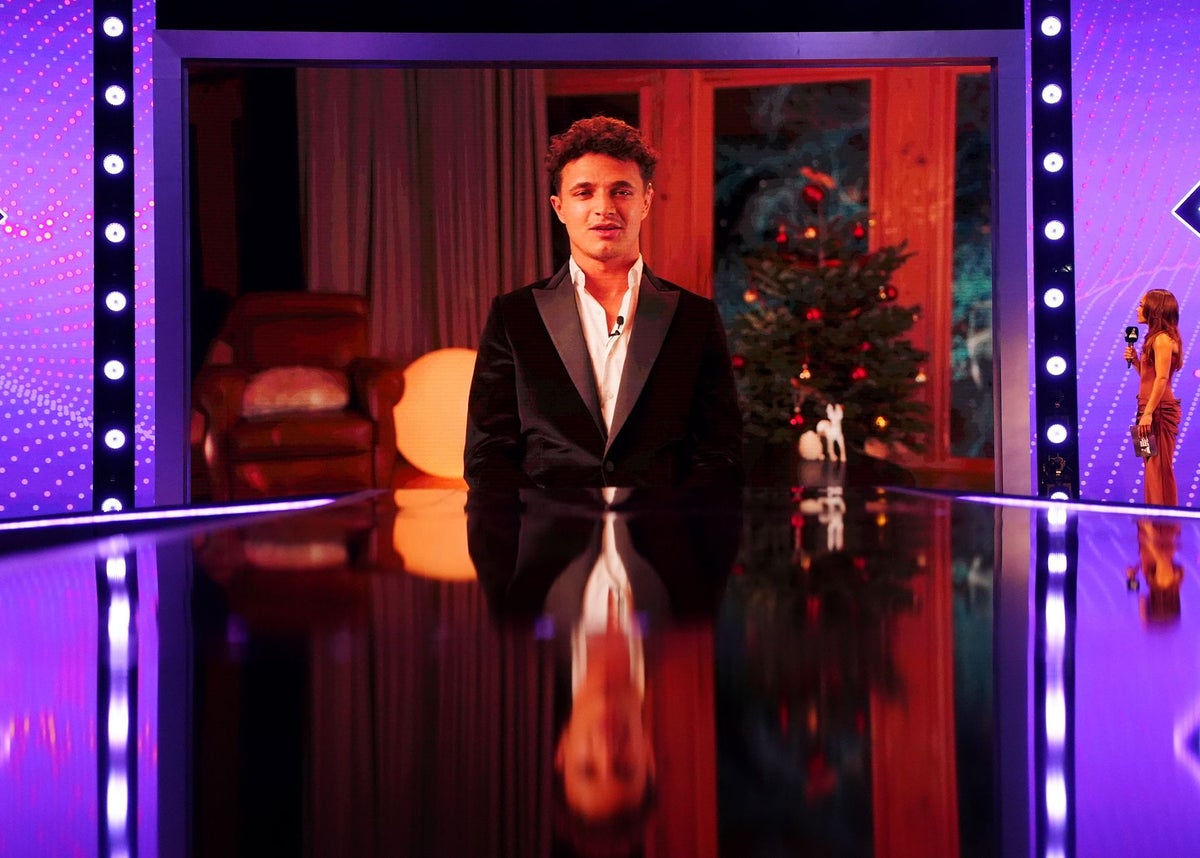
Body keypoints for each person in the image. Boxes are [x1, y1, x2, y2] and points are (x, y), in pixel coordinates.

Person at [464, 115, 744, 489]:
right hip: (547, 524)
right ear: (559, 207)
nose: (604, 208)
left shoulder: (695, 317)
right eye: (584, 193)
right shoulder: (513, 315)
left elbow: (720, 452)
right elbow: (487, 454)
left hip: (662, 524)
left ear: (646, 201)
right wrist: (536, 521)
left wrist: (676, 520)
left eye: (621, 191)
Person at [1124, 289, 1183, 505]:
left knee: (1159, 469)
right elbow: (1149, 377)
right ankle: (1150, 517)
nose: (1138, 309)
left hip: (1158, 411)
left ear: (1154, 310)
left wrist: (1148, 413)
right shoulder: (1152, 339)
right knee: (1149, 465)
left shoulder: (1162, 340)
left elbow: (1162, 379)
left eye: (1142, 305)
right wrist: (1136, 362)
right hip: (1145, 409)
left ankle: (1163, 521)